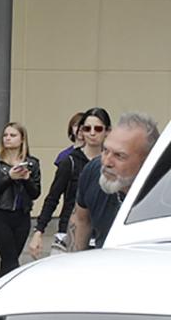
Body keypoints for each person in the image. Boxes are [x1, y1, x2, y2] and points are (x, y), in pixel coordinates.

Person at [68, 111, 159, 251]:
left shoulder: (163, 191)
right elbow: (81, 220)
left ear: (148, 161)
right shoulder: (93, 171)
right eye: (105, 150)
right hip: (105, 258)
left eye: (119, 156)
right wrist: (74, 259)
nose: (106, 162)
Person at [28, 107, 110, 258]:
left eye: (98, 129)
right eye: (87, 128)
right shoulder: (70, 161)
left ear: (107, 131)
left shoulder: (112, 162)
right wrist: (38, 231)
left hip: (103, 234)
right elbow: (53, 198)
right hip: (70, 232)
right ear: (81, 131)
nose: (92, 133)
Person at [0, 122, 41, 278]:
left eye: (13, 135)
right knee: (10, 261)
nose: (7, 138)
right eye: (5, 135)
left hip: (22, 216)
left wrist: (27, 179)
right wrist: (8, 177)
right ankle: (6, 290)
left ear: (22, 139)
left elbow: (35, 193)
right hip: (1, 215)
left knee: (9, 262)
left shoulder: (32, 163)